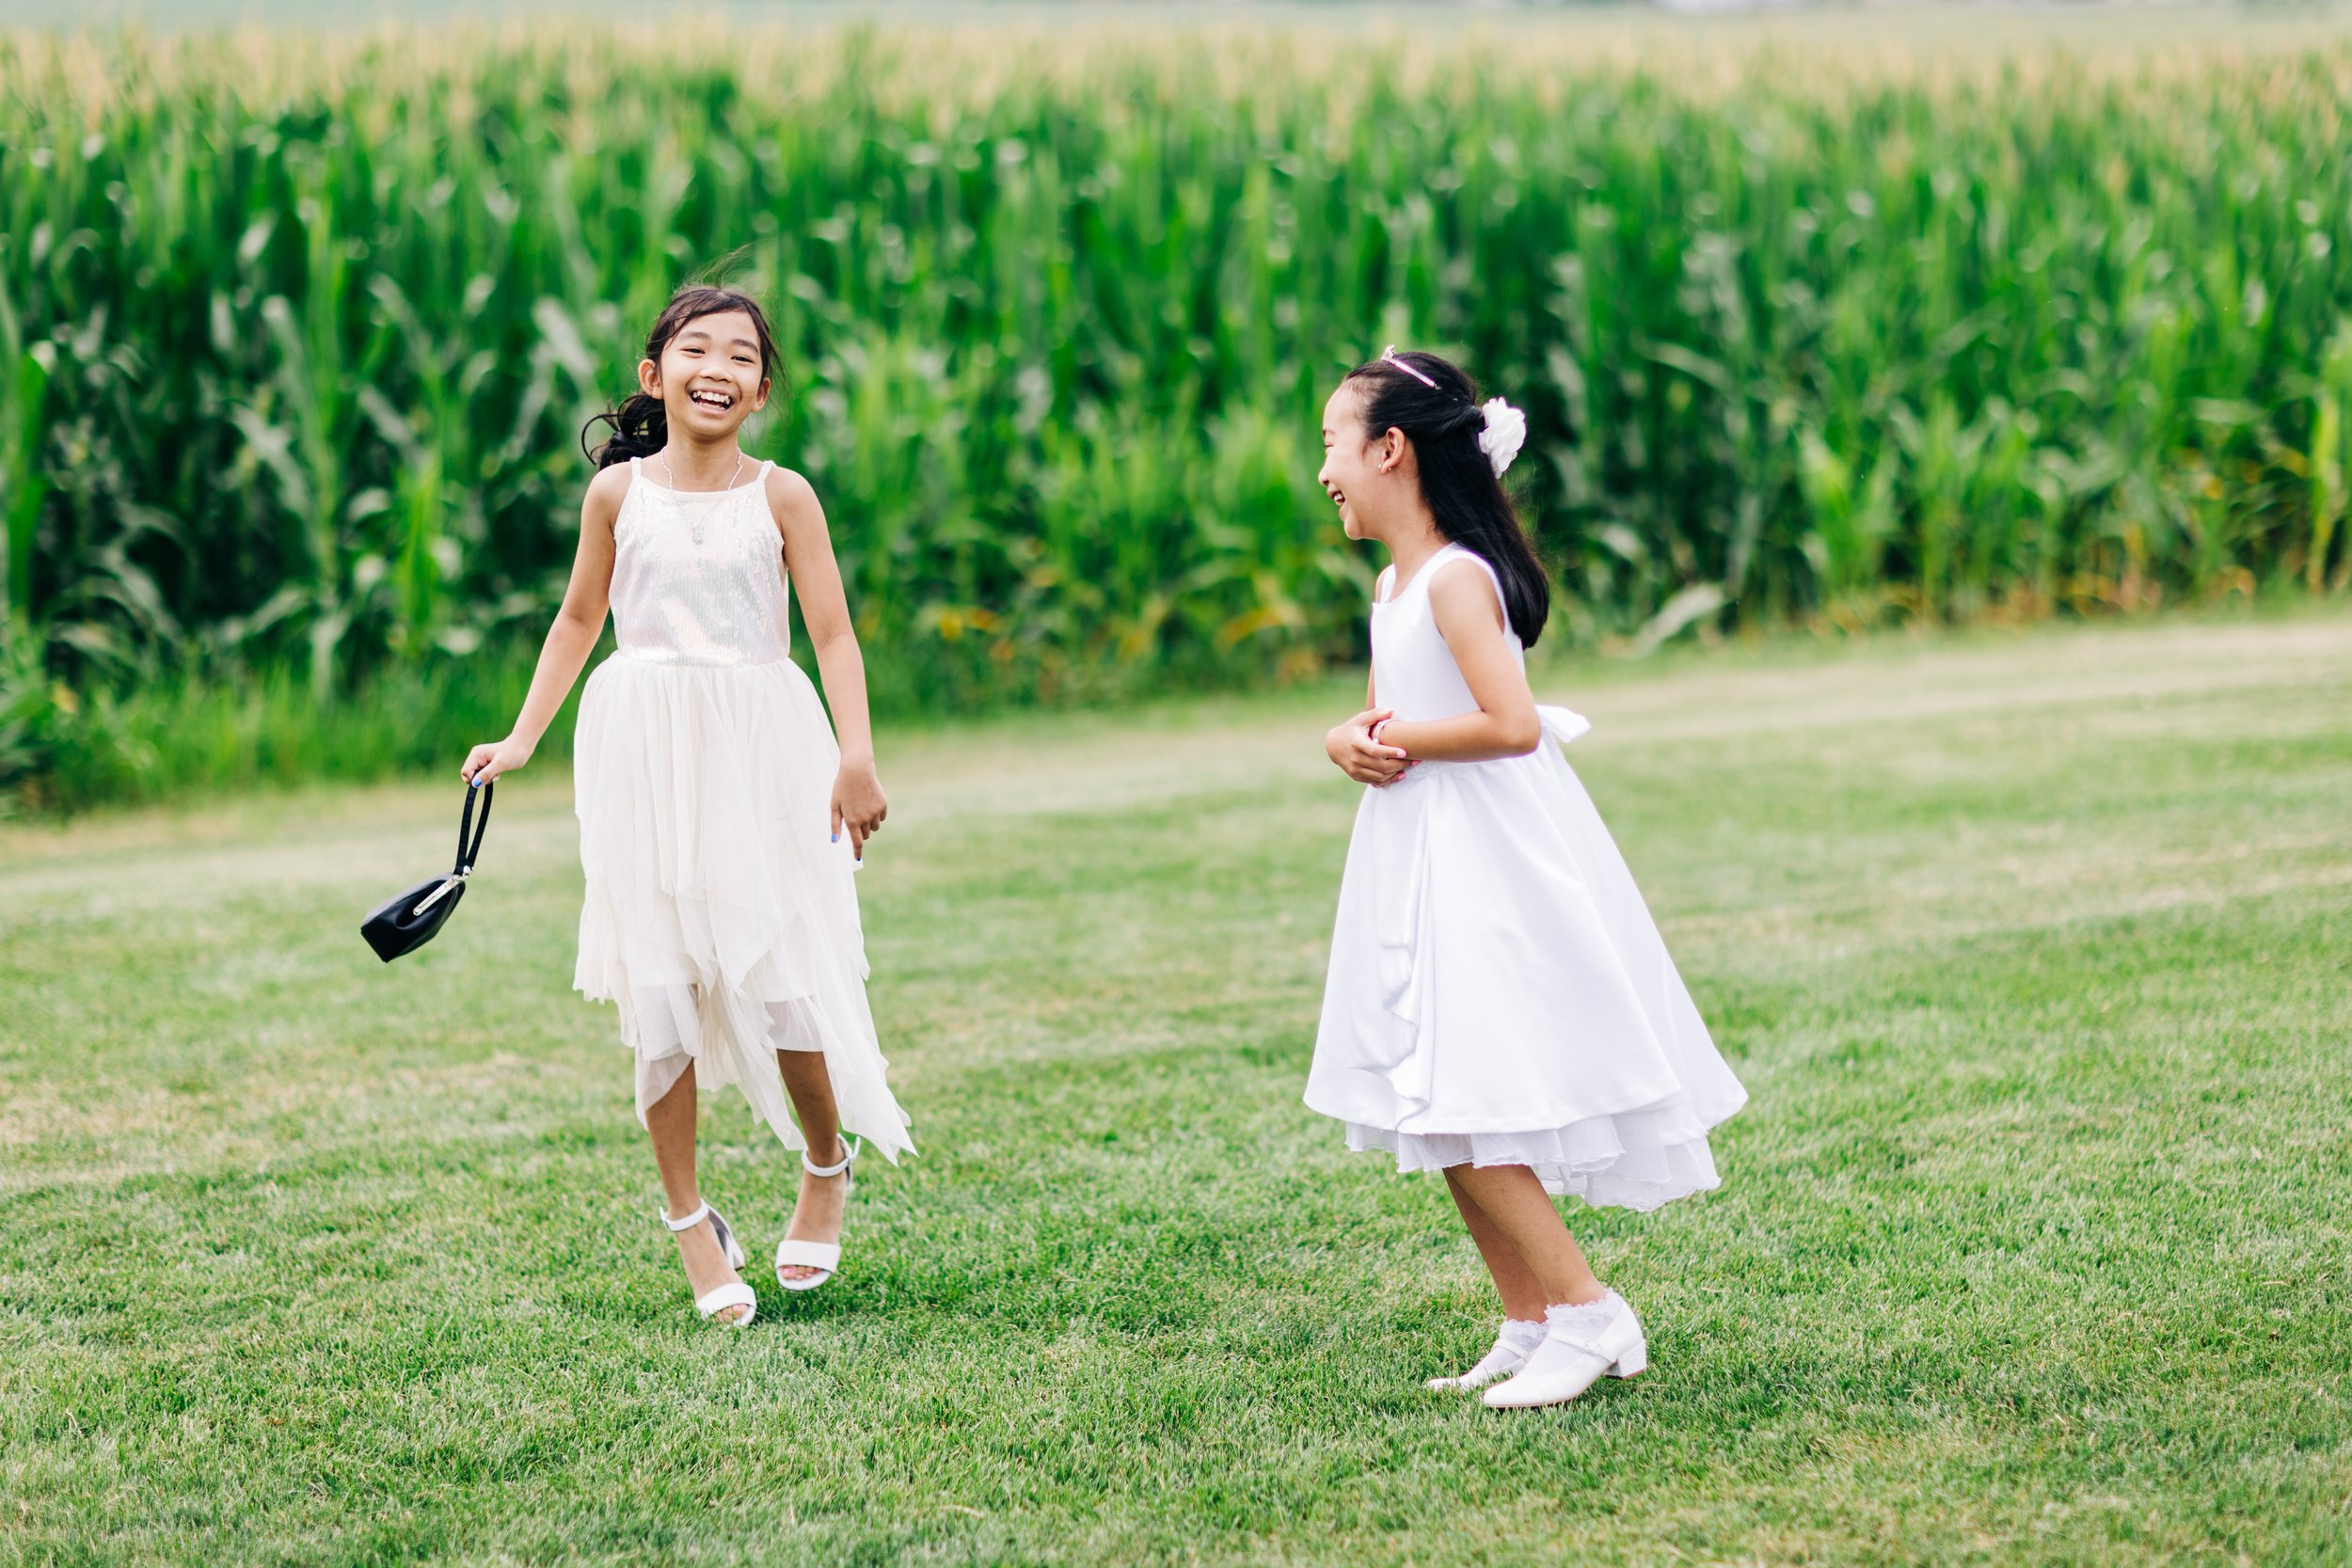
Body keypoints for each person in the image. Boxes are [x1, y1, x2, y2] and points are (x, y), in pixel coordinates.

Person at [461, 284, 912, 1328]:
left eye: (742, 355)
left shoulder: (783, 495)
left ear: (759, 390)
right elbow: (578, 620)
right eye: (694, 347)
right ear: (653, 374)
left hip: (762, 743)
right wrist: (522, 736)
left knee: (786, 982)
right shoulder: (618, 496)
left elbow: (833, 633)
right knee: (658, 993)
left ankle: (824, 1163)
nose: (718, 365)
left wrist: (857, 757)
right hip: (643, 750)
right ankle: (690, 1223)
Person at [1307, 347, 1747, 1408]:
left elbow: (1507, 723)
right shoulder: (1392, 581)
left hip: (1483, 858)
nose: (1323, 468)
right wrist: (1344, 739)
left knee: (1468, 1090)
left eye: (1332, 443)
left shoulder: (1458, 576)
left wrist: (1397, 733)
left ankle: (1590, 1310)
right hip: (1415, 849)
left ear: (1390, 448)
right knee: (1430, 1098)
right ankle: (1530, 1317)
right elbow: (1379, 711)